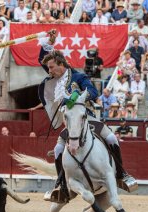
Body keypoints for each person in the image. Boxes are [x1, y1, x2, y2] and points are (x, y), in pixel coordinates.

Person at [31, 30, 136, 202]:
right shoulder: (55, 77)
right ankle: (61, 184)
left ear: (60, 64)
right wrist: (47, 43)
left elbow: (94, 91)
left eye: (51, 67)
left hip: (87, 118)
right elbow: (42, 59)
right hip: (69, 123)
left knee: (111, 139)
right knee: (58, 149)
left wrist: (78, 95)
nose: (48, 71)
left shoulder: (78, 76)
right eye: (48, 68)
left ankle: (122, 174)